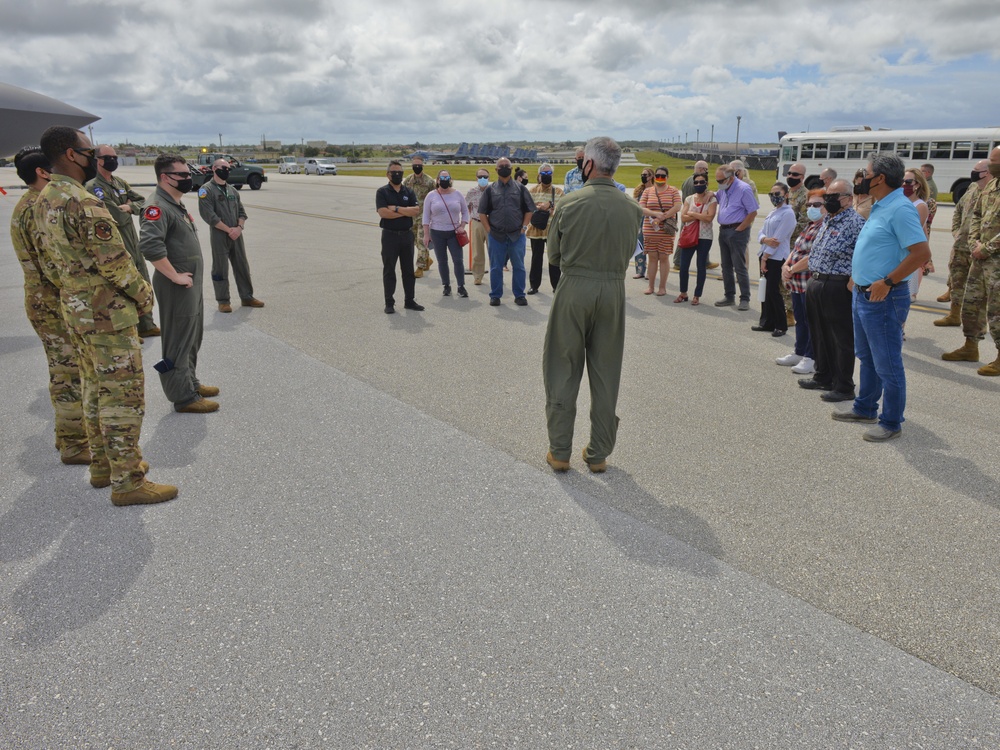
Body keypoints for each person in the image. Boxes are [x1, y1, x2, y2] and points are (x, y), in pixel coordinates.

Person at [34, 126, 175, 506]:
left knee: (95, 390)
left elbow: (47, 264)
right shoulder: (83, 202)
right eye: (88, 150)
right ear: (69, 154)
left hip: (77, 312)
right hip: (108, 316)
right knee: (123, 398)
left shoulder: (45, 198)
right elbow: (116, 263)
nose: (95, 156)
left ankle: (102, 467)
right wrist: (145, 298)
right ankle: (127, 482)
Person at [542, 136, 644, 473]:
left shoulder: (570, 203)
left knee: (562, 366)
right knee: (606, 371)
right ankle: (598, 453)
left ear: (588, 163)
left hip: (574, 286)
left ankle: (560, 451)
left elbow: (554, 255)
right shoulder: (632, 208)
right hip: (613, 290)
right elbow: (631, 251)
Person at [836, 152, 931, 441]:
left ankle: (891, 421)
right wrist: (858, 275)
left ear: (879, 178)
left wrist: (888, 282)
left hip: (884, 297)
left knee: (888, 362)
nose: (861, 178)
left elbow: (921, 254)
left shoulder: (900, 208)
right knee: (867, 356)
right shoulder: (881, 205)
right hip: (863, 294)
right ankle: (865, 407)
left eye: (865, 173)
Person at [9, 146, 89, 465]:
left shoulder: (35, 203)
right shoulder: (35, 208)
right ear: (43, 173)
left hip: (49, 300)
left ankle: (66, 435)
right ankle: (73, 445)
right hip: (50, 303)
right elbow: (52, 265)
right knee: (67, 373)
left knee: (67, 370)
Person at [140, 154, 220, 415]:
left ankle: (191, 383)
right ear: (165, 177)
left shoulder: (174, 203)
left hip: (189, 283)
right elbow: (151, 246)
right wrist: (174, 276)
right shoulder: (157, 207)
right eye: (182, 175)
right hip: (176, 285)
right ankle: (182, 396)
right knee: (177, 339)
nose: (189, 179)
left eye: (189, 174)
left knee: (192, 335)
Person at [799, 179, 866, 402]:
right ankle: (823, 375)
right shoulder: (829, 219)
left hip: (837, 284)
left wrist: (854, 279)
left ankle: (844, 385)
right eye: (827, 196)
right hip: (817, 281)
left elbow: (863, 254)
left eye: (833, 196)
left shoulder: (855, 222)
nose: (828, 200)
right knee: (818, 333)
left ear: (848, 198)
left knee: (840, 338)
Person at [88, 145, 159, 337]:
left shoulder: (120, 182)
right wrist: (127, 208)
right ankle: (131, 329)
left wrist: (130, 207)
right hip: (114, 243)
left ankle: (147, 324)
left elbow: (144, 202)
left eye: (114, 157)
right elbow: (116, 215)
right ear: (98, 160)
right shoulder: (94, 187)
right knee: (125, 286)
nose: (113, 160)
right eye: (108, 157)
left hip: (132, 239)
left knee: (142, 279)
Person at [198, 158, 264, 313]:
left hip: (237, 234)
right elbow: (209, 216)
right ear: (214, 168)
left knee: (242, 266)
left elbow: (242, 212)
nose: (226, 170)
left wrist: (239, 228)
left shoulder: (232, 190)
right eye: (223, 167)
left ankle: (247, 297)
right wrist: (229, 230)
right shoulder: (206, 190)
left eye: (228, 168)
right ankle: (223, 301)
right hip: (220, 235)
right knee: (220, 268)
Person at [940, 160, 990, 352]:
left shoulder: (993, 192)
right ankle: (954, 314)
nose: (973, 173)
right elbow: (958, 211)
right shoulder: (971, 188)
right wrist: (956, 231)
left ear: (987, 172)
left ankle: (973, 342)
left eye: (977, 171)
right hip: (962, 245)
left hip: (981, 251)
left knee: (978, 296)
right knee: (957, 281)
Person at [777, 189, 825, 375]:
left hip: (809, 283)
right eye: (810, 205)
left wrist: (792, 269)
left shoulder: (823, 228)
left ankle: (811, 357)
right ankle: (800, 351)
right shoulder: (810, 225)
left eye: (817, 204)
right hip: (797, 284)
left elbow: (812, 256)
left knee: (811, 321)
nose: (812, 208)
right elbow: (796, 249)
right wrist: (786, 265)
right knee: (800, 321)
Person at [961, 146, 1000, 376]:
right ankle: (970, 347)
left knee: (997, 310)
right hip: (980, 257)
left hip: (995, 260)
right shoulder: (992, 185)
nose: (991, 164)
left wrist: (986, 248)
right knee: (972, 303)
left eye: (994, 160)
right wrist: (974, 241)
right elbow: (976, 214)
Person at [478, 157, 535, 306]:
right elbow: (482, 212)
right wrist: (488, 230)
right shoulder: (490, 190)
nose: (504, 167)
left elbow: (529, 209)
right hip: (496, 235)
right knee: (496, 267)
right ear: (496, 170)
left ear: (511, 168)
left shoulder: (520, 188)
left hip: (517, 235)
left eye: (507, 166)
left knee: (519, 266)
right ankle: (495, 295)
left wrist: (524, 227)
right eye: (501, 166)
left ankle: (519, 295)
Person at [375, 160, 424, 314]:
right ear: (388, 174)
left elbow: (415, 211)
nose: (397, 175)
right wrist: (404, 211)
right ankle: (389, 302)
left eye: (400, 173)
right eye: (394, 172)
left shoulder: (408, 191)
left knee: (408, 270)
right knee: (389, 270)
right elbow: (383, 213)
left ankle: (410, 300)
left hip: (406, 235)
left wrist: (395, 209)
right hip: (390, 236)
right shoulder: (382, 192)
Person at [751, 182, 795, 335]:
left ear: (786, 195)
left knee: (773, 291)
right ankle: (767, 322)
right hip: (765, 254)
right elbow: (761, 233)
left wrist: (765, 257)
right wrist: (764, 239)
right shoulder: (773, 212)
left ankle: (780, 325)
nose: (774, 197)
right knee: (765, 291)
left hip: (776, 257)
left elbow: (778, 239)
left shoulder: (788, 213)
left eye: (777, 194)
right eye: (772, 194)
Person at [713, 164, 758, 310]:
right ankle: (729, 296)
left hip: (737, 231)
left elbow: (752, 212)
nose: (719, 184)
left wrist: (739, 229)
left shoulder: (744, 189)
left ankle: (745, 298)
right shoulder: (724, 189)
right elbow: (716, 197)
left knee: (739, 266)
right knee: (726, 265)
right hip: (724, 230)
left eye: (721, 181)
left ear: (730, 178)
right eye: (717, 181)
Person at [422, 169, 470, 298]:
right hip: (437, 233)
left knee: (458, 260)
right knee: (442, 261)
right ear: (437, 181)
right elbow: (426, 217)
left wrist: (463, 225)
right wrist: (426, 235)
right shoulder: (431, 196)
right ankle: (446, 285)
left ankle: (461, 286)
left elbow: (466, 212)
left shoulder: (458, 194)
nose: (444, 181)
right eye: (441, 178)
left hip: (454, 232)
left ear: (450, 180)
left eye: (446, 178)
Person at [639, 166, 681, 296]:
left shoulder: (673, 191)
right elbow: (641, 208)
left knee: (663, 257)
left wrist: (664, 215)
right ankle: (650, 286)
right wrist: (655, 214)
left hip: (666, 230)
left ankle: (662, 287)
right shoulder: (648, 191)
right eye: (658, 175)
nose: (660, 178)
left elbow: (678, 206)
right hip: (650, 230)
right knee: (652, 258)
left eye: (663, 176)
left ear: (667, 177)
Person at [676, 172, 716, 304]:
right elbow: (683, 217)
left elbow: (709, 218)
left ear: (707, 184)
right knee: (684, 265)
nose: (699, 184)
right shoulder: (689, 199)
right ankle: (683, 292)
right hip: (689, 235)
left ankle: (697, 295)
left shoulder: (712, 200)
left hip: (705, 237)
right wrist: (699, 214)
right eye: (696, 182)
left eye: (701, 182)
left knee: (701, 266)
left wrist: (691, 213)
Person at [526, 163, 563, 294]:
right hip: (536, 230)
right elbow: (527, 208)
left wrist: (551, 206)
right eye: (544, 174)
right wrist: (541, 208)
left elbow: (561, 209)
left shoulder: (558, 191)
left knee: (553, 259)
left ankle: (556, 285)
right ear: (539, 175)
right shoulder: (532, 190)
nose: (546, 176)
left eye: (548, 173)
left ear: (552, 175)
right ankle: (534, 285)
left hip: (552, 230)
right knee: (536, 258)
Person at [404, 155, 436, 277]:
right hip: (411, 216)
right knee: (414, 241)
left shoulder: (429, 181)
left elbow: (435, 198)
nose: (416, 167)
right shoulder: (408, 180)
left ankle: (420, 267)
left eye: (419, 165)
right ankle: (427, 259)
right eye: (414, 165)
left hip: (424, 216)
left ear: (422, 166)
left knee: (422, 241)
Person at [902, 168, 931, 302]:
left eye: (908, 182)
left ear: (917, 184)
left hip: (907, 256)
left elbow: (912, 233)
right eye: (901, 181)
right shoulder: (900, 201)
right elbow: (925, 232)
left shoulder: (920, 206)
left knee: (905, 298)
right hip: (897, 256)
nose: (904, 185)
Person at [464, 167, 491, 285]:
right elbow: (465, 206)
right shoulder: (472, 192)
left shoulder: (493, 190)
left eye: (485, 177)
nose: (483, 179)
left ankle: (496, 275)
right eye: (480, 177)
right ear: (476, 178)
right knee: (477, 252)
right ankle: (478, 276)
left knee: (494, 251)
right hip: (477, 222)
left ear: (489, 178)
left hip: (491, 224)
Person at [631, 169, 652, 279]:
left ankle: (650, 272)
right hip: (639, 221)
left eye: (645, 175)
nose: (643, 177)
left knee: (651, 247)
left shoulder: (655, 189)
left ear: (651, 176)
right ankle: (640, 270)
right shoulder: (639, 190)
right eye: (642, 174)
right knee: (639, 245)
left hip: (651, 221)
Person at [921, 163, 939, 233]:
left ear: (928, 173)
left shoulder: (928, 186)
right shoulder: (927, 184)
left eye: (922, 171)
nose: (920, 173)